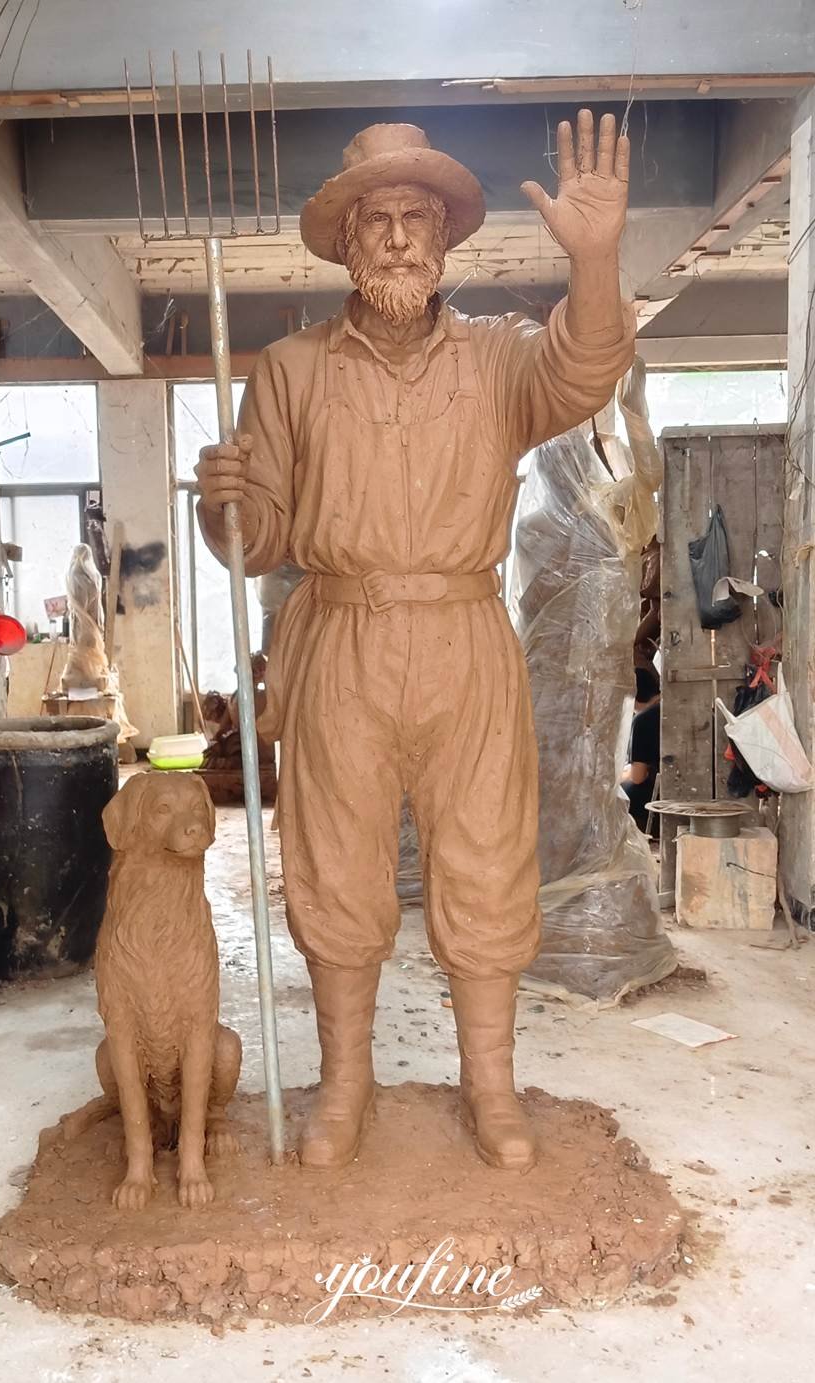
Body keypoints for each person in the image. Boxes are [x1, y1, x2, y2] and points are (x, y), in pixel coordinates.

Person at [196, 114, 634, 1173]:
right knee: (335, 869)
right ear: (347, 241)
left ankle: (490, 1084)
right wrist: (222, 505)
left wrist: (594, 259)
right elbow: (259, 542)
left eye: (416, 219)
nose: (396, 238)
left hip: (464, 637)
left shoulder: (497, 360)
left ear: (444, 240)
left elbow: (586, 373)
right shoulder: (290, 369)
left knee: (485, 862)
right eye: (377, 219)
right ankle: (346, 1084)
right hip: (339, 635)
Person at [622, 666, 662, 831]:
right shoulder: (677, 704)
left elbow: (638, 777)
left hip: (663, 798)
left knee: (620, 792)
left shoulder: (642, 720)